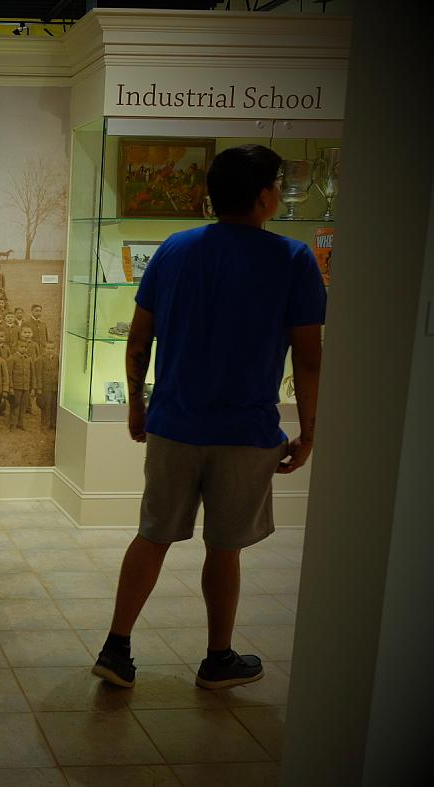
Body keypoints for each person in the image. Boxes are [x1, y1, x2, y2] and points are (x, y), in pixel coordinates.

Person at [92, 144, 325, 691]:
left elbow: (137, 341)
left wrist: (136, 402)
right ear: (267, 195)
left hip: (174, 424)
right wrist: (310, 432)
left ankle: (116, 647)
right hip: (246, 431)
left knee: (152, 535)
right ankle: (218, 658)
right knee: (225, 546)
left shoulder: (173, 249)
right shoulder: (293, 259)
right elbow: (308, 358)